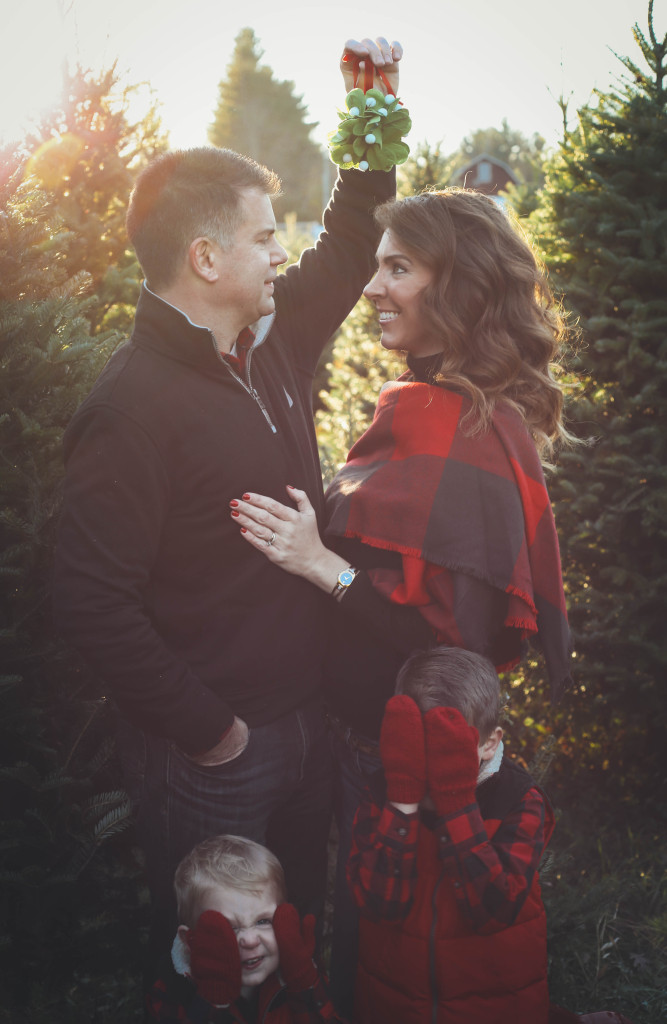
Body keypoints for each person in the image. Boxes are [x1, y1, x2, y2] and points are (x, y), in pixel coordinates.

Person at [52, 36, 402, 974]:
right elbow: (88, 600)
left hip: (305, 730)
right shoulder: (130, 411)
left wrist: (371, 110)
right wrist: (213, 733)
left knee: (291, 956)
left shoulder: (271, 343)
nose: (281, 254)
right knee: (215, 976)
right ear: (205, 257)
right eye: (261, 237)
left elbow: (353, 237)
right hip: (215, 760)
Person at [231, 186, 573, 1011]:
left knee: (377, 950)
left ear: (455, 286)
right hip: (366, 735)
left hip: (394, 750)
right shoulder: (422, 404)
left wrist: (322, 565)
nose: (373, 289)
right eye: (376, 267)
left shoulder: (460, 423)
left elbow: (445, 642)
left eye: (398, 269)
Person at [347, 645, 554, 1023]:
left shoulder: (518, 800)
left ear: (489, 744)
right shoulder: (382, 794)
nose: (430, 762)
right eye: (418, 746)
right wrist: (404, 801)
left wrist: (457, 805)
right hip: (394, 1002)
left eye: (450, 748)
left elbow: (494, 910)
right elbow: (379, 904)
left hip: (497, 1006)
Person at [147, 834, 345, 1023]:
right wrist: (213, 1002)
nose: (250, 940)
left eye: (263, 921)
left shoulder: (299, 969)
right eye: (229, 928)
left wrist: (303, 984)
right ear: (191, 940)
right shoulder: (173, 987)